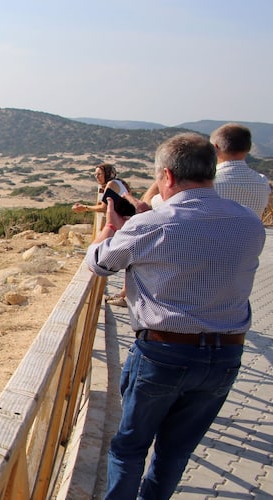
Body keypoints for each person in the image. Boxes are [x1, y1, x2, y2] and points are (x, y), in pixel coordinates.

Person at [84, 133, 265, 499]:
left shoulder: (150, 225)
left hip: (163, 355)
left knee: (129, 448)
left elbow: (99, 264)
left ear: (166, 176)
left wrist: (113, 226)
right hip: (226, 355)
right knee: (175, 452)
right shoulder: (250, 222)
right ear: (212, 170)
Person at [72, 163, 136, 307]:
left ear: (107, 174)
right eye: (95, 174)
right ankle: (124, 294)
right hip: (127, 223)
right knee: (130, 264)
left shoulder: (112, 184)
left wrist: (85, 208)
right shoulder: (120, 183)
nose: (97, 177)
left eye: (99, 174)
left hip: (123, 224)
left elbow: (105, 206)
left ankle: (125, 296)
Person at [211, 123, 271, 216]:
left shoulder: (208, 182)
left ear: (216, 148)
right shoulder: (262, 181)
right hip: (252, 230)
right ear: (248, 147)